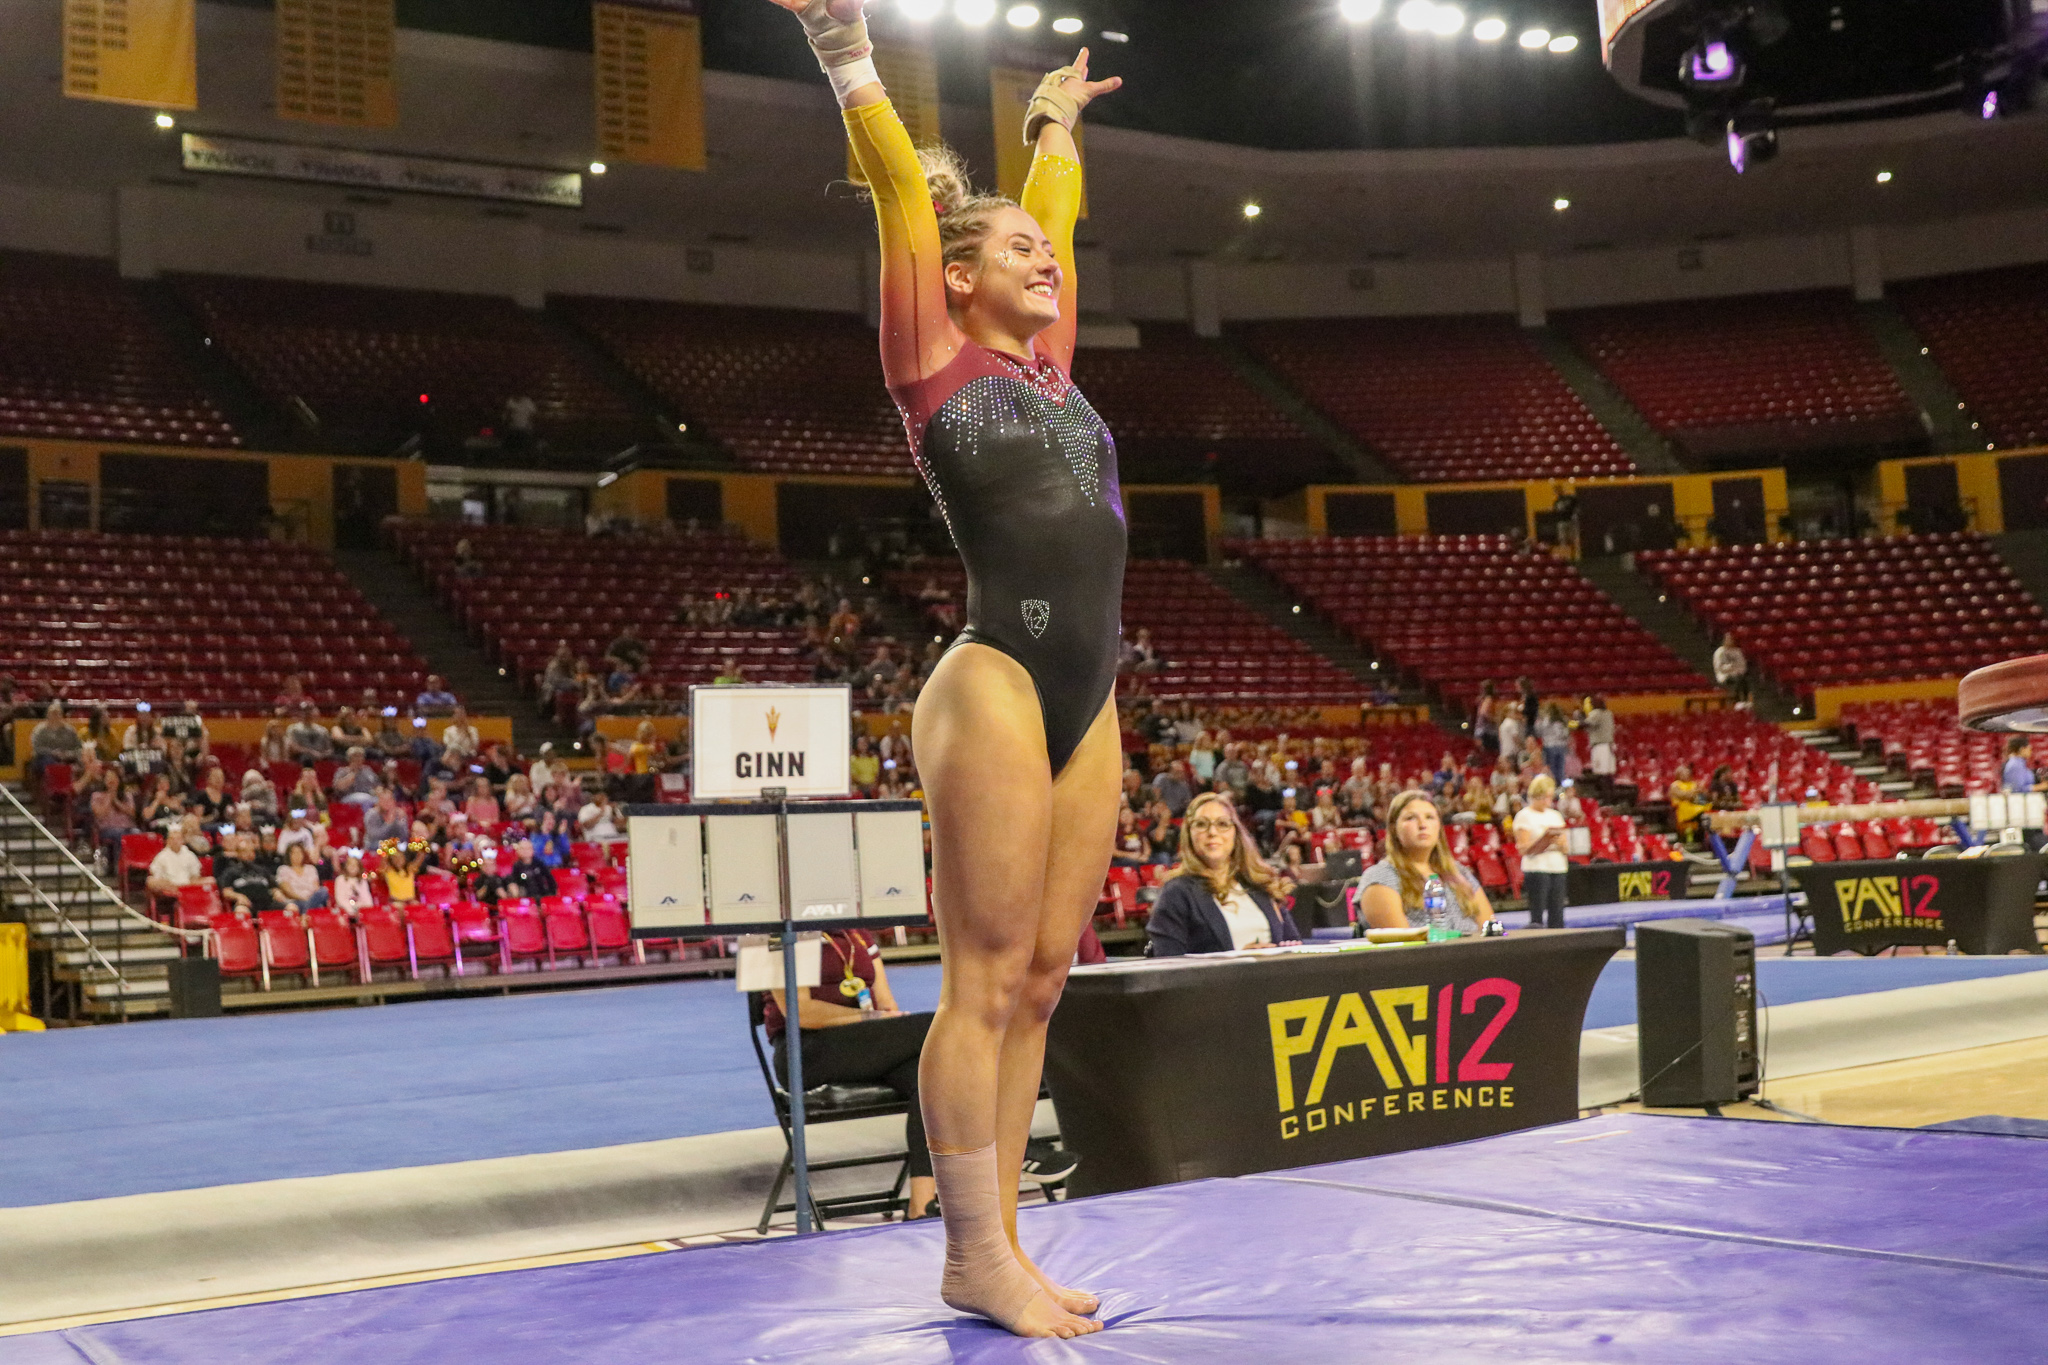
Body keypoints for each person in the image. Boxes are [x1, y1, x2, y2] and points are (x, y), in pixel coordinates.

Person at [773, 0, 1122, 1335]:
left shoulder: (1050, 370)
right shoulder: (931, 358)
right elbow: (903, 214)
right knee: (980, 978)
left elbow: (1058, 224)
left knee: (1042, 975)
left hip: (1088, 695)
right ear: (959, 281)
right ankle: (969, 1248)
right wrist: (849, 58)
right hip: (995, 680)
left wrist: (1051, 128)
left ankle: (1009, 1245)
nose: (1044, 258)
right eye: (1015, 251)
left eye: (1048, 251)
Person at [764, 928, 938, 1222]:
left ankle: (921, 1207)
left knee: (933, 1081)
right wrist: (870, 1019)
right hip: (806, 1050)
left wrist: (884, 1020)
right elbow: (800, 1011)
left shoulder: (859, 936)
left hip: (863, 1044)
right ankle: (1015, 1142)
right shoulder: (778, 933)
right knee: (943, 1025)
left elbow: (885, 1002)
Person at [1145, 793, 1302, 955]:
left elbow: (1292, 947)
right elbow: (1168, 969)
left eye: (1222, 824)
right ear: (1189, 835)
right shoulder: (1176, 894)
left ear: (1235, 833)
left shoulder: (1261, 885)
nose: (1212, 832)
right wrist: (1238, 960)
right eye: (1201, 824)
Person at [1357, 790, 1494, 935]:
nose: (1422, 824)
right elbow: (1404, 949)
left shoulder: (1460, 873)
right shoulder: (1380, 878)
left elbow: (1490, 932)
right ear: (1393, 828)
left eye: (1430, 817)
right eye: (1411, 818)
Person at [1514, 773, 1571, 929]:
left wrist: (1559, 843)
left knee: (1557, 913)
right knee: (1537, 914)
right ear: (1535, 796)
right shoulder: (1524, 816)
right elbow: (1523, 847)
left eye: (1549, 797)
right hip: (1537, 868)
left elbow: (1566, 847)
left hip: (1557, 867)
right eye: (1544, 797)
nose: (1547, 801)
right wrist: (1543, 841)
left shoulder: (1555, 815)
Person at [144, 823, 205, 904]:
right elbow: (156, 874)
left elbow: (195, 875)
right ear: (167, 841)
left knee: (211, 880)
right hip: (170, 886)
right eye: (172, 839)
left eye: (178, 838)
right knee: (150, 881)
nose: (175, 841)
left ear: (182, 840)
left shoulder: (189, 855)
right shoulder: (161, 856)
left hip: (187, 885)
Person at [275, 842, 329, 911]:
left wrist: (310, 899)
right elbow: (286, 890)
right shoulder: (283, 869)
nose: (297, 855)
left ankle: (305, 913)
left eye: (299, 852)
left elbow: (316, 888)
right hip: (295, 901)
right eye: (294, 853)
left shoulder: (311, 868)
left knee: (323, 891)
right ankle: (306, 913)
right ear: (289, 855)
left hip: (312, 898)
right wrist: (302, 898)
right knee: (314, 905)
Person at [1668, 762, 1708, 844]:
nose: (1685, 775)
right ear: (1678, 774)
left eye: (1687, 773)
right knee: (1701, 814)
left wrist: (1702, 791)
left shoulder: (1693, 784)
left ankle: (1703, 840)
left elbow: (1698, 797)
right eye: (1683, 773)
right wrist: (1696, 791)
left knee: (1707, 812)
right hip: (1682, 809)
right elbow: (1684, 796)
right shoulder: (1675, 785)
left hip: (1695, 806)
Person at [1536, 702, 1572, 785]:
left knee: (1551, 768)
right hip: (1560, 746)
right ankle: (1560, 786)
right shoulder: (1562, 720)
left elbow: (1538, 732)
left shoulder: (1545, 720)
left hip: (1549, 746)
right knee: (1560, 769)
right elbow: (1565, 734)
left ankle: (1552, 785)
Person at [1584, 695, 1616, 785]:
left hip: (1600, 746)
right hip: (1609, 745)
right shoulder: (1609, 713)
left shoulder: (1596, 713)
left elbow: (1587, 723)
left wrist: (1578, 718)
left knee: (1601, 773)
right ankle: (1609, 794)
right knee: (1608, 773)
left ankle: (1604, 795)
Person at [1713, 633, 1749, 710]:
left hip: (1737, 673)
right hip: (1724, 675)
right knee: (1737, 679)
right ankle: (1737, 701)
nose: (1729, 641)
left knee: (1744, 679)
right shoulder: (1719, 652)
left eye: (1731, 639)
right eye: (1727, 639)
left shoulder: (1737, 651)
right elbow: (1719, 667)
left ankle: (1745, 701)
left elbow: (1743, 665)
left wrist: (1738, 670)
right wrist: (1731, 667)